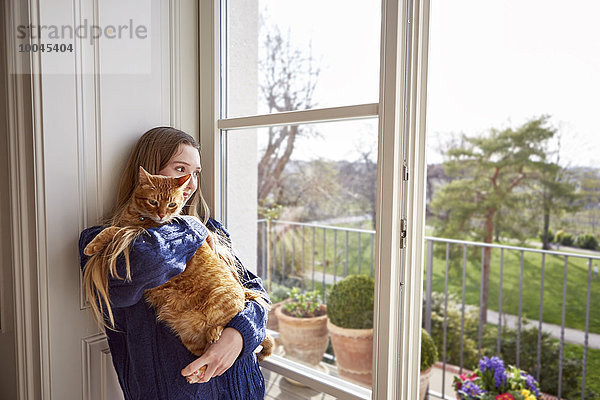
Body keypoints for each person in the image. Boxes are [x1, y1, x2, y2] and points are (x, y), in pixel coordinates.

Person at [78, 127, 269, 399]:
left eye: (196, 173)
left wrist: (237, 337)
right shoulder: (100, 240)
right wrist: (191, 227)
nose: (189, 182)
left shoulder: (212, 229)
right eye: (180, 169)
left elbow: (256, 291)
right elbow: (138, 271)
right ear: (149, 176)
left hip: (243, 385)